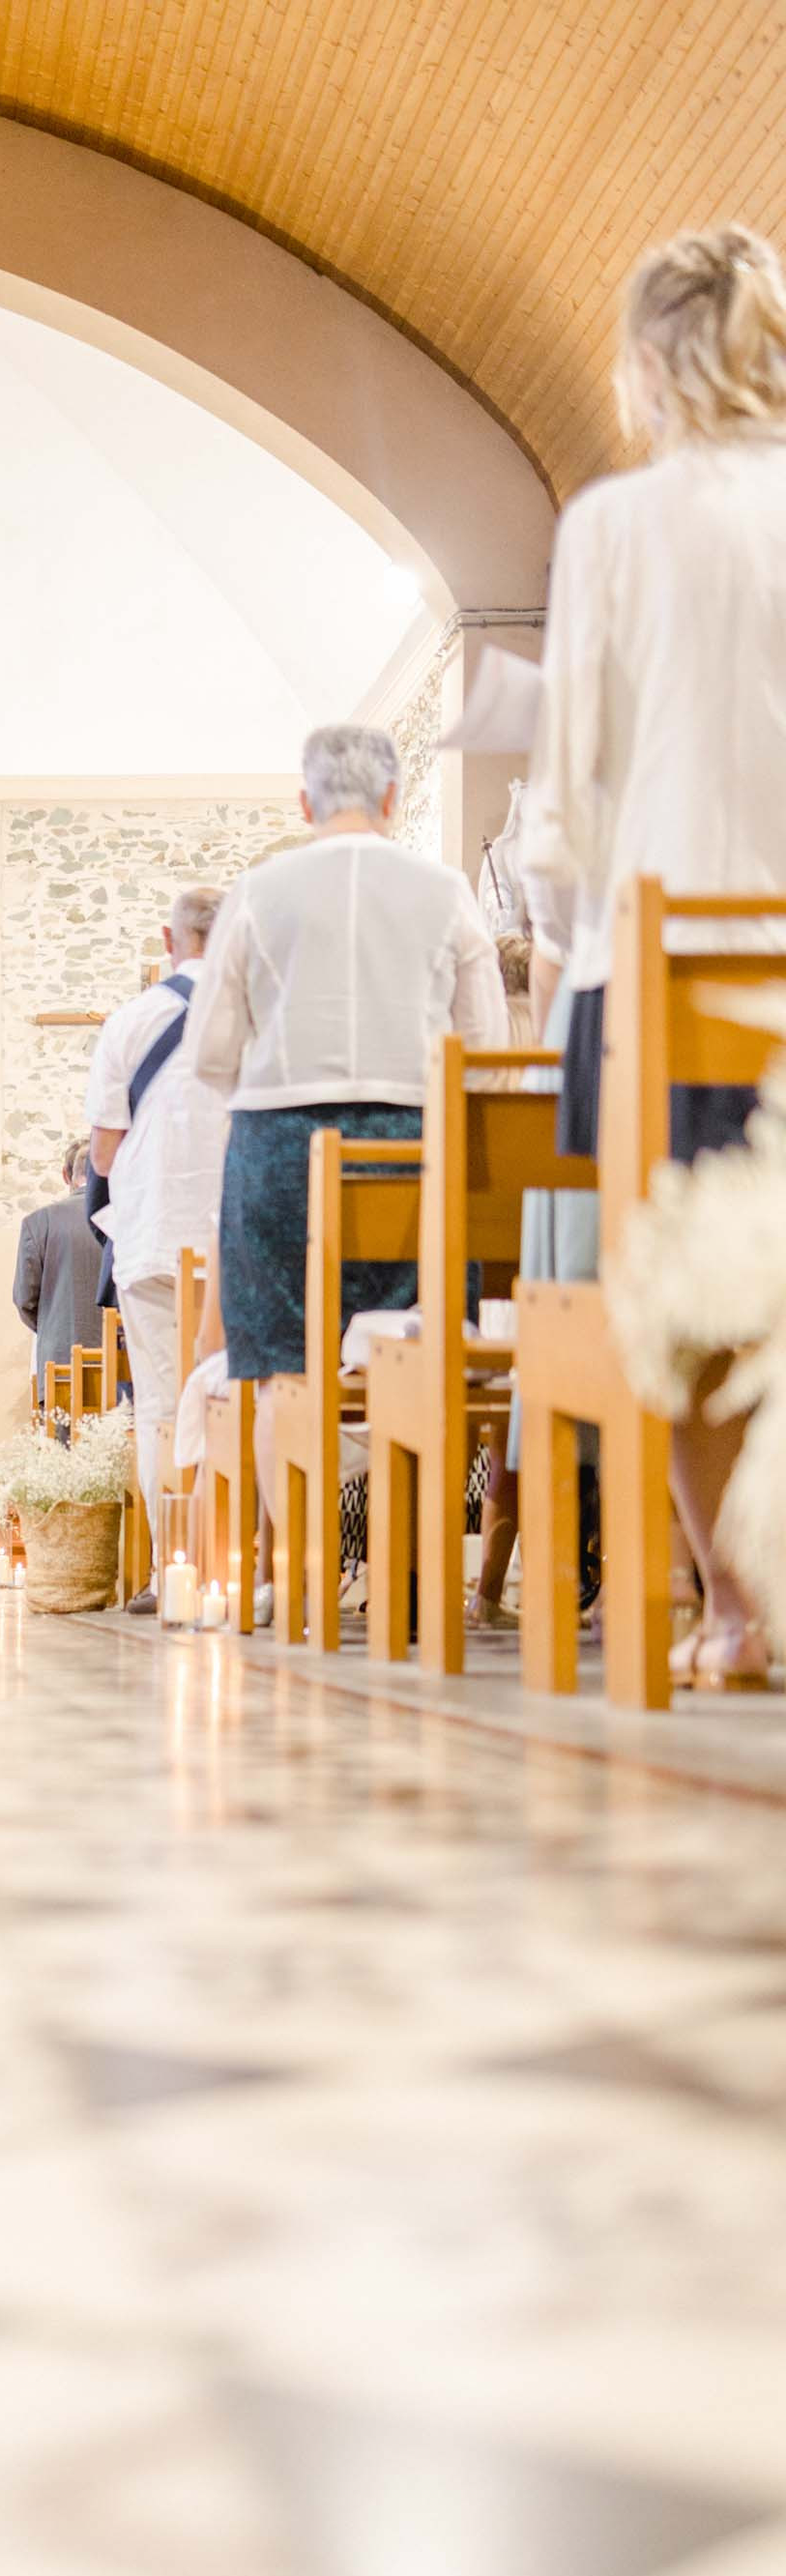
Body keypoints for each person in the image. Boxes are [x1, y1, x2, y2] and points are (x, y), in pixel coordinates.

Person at [522, 222, 786, 1693]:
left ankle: (739, 1610)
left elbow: (563, 812)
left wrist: (569, 910)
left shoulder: (615, 528)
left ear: (644, 362)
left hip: (666, 964)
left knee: (679, 1293)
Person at [186, 723, 508, 1552]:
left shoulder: (260, 890)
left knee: (280, 1373)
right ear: (395, 800)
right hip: (416, 1152)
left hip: (279, 1153)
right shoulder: (447, 893)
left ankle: (296, 1574)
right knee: (416, 1361)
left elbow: (211, 1053)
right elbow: (489, 1055)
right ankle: (410, 1572)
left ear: (305, 802)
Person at [84, 884, 230, 1609]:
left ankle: (171, 1569)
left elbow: (103, 1157)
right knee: (239, 1397)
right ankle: (235, 1568)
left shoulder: (130, 1021)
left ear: (169, 941)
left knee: (162, 1407)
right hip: (235, 1241)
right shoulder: (257, 1017)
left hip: (150, 1237)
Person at [14, 1142, 106, 1399]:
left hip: (60, 1360)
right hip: (116, 1361)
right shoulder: (124, 1218)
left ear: (69, 1176)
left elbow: (24, 1299)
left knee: (61, 1437)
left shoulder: (39, 1223)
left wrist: (54, 1327)